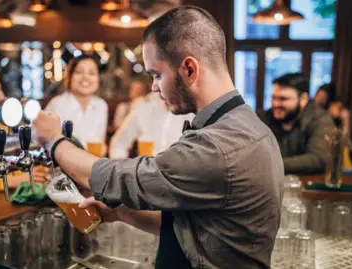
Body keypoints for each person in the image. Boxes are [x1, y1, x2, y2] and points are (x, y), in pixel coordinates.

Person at [32, 6, 283, 269]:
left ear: (189, 69)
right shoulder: (243, 124)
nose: (153, 86)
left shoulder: (219, 144)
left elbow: (120, 178)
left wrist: (54, 141)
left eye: (157, 74)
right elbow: (194, 228)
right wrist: (122, 212)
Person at [258, 73, 334, 174]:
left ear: (303, 99)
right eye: (273, 98)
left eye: (283, 99)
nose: (275, 104)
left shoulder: (319, 119)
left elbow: (319, 160)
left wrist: (272, 165)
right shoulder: (264, 117)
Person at [45, 55, 108, 154]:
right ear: (69, 76)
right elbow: (46, 143)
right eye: (79, 72)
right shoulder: (57, 104)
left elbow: (101, 142)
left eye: (92, 73)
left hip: (93, 165)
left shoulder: (101, 105)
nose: (86, 77)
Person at [110, 91, 194, 159]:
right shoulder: (145, 105)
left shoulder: (195, 109)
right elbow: (119, 143)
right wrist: (125, 172)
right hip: (146, 175)